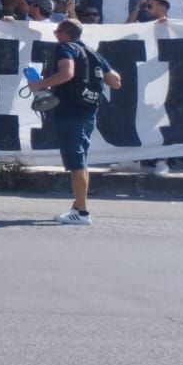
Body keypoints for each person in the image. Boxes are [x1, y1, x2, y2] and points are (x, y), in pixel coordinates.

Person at [26, 18, 122, 225]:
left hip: (70, 111)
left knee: (76, 161)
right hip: (89, 111)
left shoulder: (65, 48)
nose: (55, 36)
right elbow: (115, 81)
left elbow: (67, 73)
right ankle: (78, 205)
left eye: (56, 32)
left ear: (64, 33)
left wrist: (40, 84)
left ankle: (82, 211)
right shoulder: (93, 53)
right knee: (81, 160)